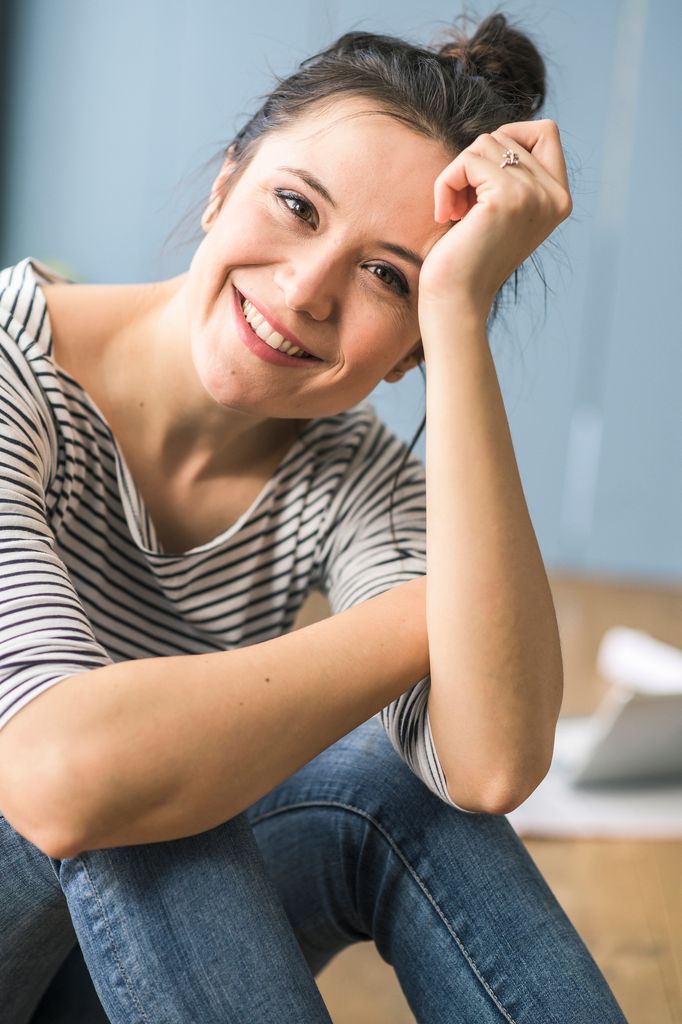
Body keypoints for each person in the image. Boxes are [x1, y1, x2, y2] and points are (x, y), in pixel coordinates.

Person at [0, 12, 629, 1024]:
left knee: (378, 785)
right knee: (152, 782)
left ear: (412, 348)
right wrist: (433, 614)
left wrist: (462, 308)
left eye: (390, 277)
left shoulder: (347, 471)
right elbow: (58, 777)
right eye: (296, 205)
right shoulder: (10, 369)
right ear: (223, 184)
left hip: (81, 974)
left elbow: (490, 764)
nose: (305, 291)